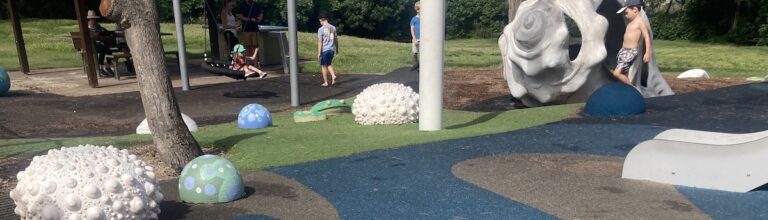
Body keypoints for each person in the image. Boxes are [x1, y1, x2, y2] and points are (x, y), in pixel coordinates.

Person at [613, 0, 651, 85]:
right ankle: (627, 92)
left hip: (630, 52)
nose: (625, 15)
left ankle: (632, 90)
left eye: (626, 12)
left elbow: (646, 36)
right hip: (623, 51)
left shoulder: (640, 22)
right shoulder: (631, 21)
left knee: (616, 73)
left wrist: (647, 52)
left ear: (635, 9)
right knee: (623, 74)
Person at [86, 10, 115, 77]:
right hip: (90, 46)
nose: (94, 20)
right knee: (103, 49)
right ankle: (101, 68)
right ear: (89, 19)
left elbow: (104, 31)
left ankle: (107, 67)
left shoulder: (97, 25)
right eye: (92, 19)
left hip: (98, 44)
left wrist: (103, 32)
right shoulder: (86, 27)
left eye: (94, 19)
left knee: (108, 50)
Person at [317, 14, 339, 87]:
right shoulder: (333, 28)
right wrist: (337, 49)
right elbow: (335, 39)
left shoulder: (321, 29)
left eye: (319, 21)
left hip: (325, 50)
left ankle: (326, 82)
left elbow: (320, 41)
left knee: (324, 66)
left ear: (321, 20)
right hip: (332, 49)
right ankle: (333, 77)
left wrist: (319, 53)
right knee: (329, 63)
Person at [409, 1, 421, 71]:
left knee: (422, 53)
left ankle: (421, 66)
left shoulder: (425, 19)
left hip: (422, 39)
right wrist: (414, 38)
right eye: (419, 9)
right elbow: (412, 29)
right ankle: (417, 63)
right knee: (414, 53)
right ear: (417, 10)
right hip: (415, 39)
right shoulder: (414, 19)